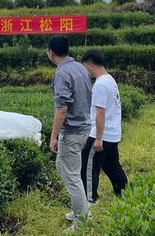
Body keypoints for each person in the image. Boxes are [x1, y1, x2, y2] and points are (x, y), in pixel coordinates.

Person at [46, 35, 91, 230]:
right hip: (82, 128)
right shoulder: (80, 67)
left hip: (72, 132)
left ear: (51, 53)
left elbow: (62, 109)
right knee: (64, 169)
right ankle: (79, 209)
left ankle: (82, 221)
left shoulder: (62, 73)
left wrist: (53, 136)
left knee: (72, 176)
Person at [80, 49, 128, 205]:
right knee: (112, 165)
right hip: (112, 133)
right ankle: (125, 192)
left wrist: (98, 138)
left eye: (85, 67)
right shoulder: (110, 79)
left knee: (89, 166)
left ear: (91, 64)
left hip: (101, 134)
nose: (86, 71)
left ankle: (89, 199)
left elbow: (100, 112)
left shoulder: (100, 84)